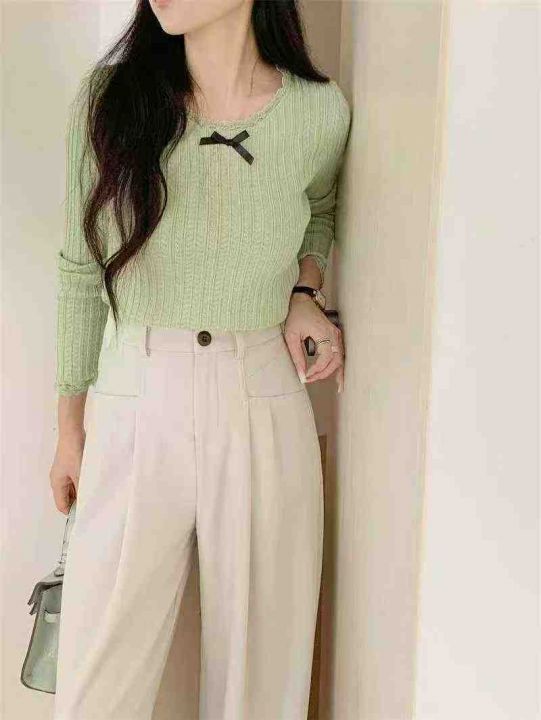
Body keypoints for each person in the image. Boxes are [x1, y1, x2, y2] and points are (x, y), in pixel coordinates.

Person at [49, 0, 351, 718]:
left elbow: (320, 208)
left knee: (262, 675)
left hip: (261, 391)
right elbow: (79, 269)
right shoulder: (110, 99)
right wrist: (68, 428)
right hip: (136, 391)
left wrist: (304, 291)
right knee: (96, 680)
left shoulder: (317, 111)